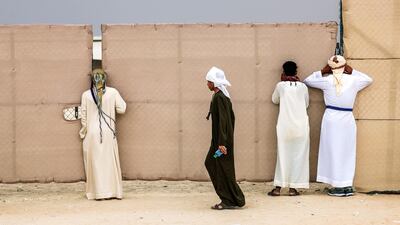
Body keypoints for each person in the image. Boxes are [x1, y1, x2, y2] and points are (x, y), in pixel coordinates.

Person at [303, 55, 373, 197]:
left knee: (332, 150)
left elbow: (307, 81)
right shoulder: (354, 80)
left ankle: (337, 185)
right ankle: (346, 185)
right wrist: (351, 71)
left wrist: (323, 71)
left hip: (332, 118)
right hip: (347, 118)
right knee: (347, 150)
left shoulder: (327, 80)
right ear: (345, 66)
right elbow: (368, 79)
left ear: (330, 67)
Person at [79, 68, 127, 200]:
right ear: (105, 78)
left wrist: (83, 132)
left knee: (95, 163)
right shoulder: (113, 92)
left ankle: (97, 193)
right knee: (109, 162)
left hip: (92, 134)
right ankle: (112, 192)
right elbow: (122, 109)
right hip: (108, 132)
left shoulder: (86, 95)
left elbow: (83, 118)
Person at [204, 66, 245, 210]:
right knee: (214, 163)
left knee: (220, 166)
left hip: (222, 145)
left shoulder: (220, 97)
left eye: (209, 81)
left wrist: (222, 143)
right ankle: (234, 198)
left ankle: (229, 200)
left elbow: (224, 121)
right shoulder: (220, 96)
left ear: (214, 83)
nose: (207, 84)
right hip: (219, 143)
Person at [268, 61, 310, 197]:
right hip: (301, 127)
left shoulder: (280, 86)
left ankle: (278, 188)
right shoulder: (303, 87)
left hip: (285, 127)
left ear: (283, 72)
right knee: (299, 157)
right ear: (296, 72)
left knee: (283, 155)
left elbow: (274, 100)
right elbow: (306, 103)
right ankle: (293, 189)